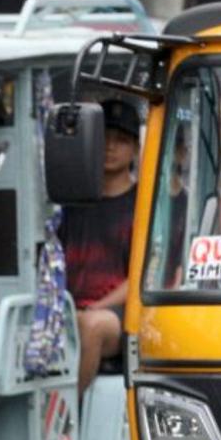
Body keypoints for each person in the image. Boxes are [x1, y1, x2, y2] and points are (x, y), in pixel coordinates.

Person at [58, 102, 141, 390]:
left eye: (121, 140)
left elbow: (140, 278)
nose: (110, 147)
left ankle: (66, 415)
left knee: (90, 327)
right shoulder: (67, 199)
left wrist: (93, 307)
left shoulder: (144, 204)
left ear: (135, 149)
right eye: (103, 138)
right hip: (64, 306)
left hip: (116, 314)